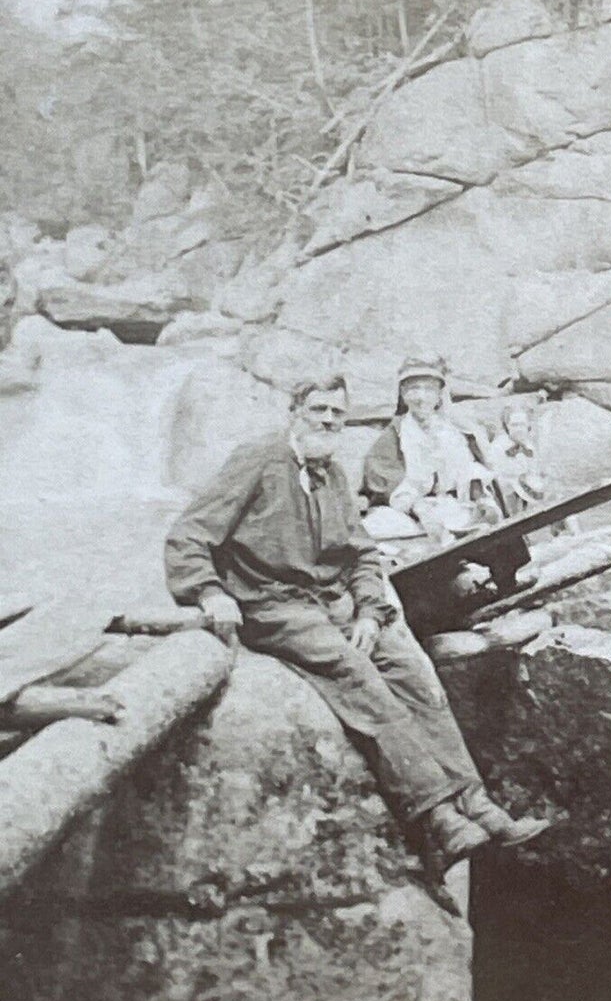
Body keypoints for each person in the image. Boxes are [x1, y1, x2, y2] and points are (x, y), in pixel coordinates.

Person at [164, 374, 549, 874]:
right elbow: (189, 534)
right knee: (354, 671)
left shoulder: (333, 475)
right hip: (272, 605)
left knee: (409, 669)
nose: (327, 421)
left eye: (336, 414)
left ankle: (476, 802)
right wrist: (210, 591)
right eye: (318, 410)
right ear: (294, 411)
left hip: (332, 601)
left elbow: (363, 555)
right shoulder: (258, 460)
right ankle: (437, 812)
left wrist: (369, 610)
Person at [361, 356, 499, 541]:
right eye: (414, 389)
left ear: (439, 394)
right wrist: (420, 509)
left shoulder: (453, 432)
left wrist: (482, 499)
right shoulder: (394, 436)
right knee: (378, 525)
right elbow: (384, 479)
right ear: (402, 393)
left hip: (455, 508)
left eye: (429, 389)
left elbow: (471, 471)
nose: (421, 398)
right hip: (412, 515)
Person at [486, 403, 547, 515]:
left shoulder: (528, 444)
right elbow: (496, 469)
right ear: (506, 426)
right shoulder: (499, 445)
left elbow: (533, 465)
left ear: (528, 426)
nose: (518, 429)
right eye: (514, 425)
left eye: (522, 425)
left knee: (543, 492)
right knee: (510, 498)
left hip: (524, 481)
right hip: (505, 482)